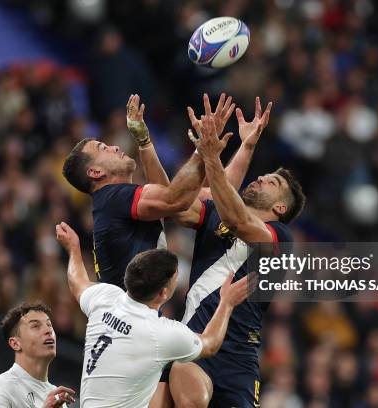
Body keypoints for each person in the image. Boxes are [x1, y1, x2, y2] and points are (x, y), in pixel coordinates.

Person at [168, 114, 306, 407]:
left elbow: (237, 220)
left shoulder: (280, 237)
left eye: (272, 182)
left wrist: (213, 158)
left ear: (280, 207)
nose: (259, 178)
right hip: (196, 341)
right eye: (262, 175)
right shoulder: (215, 214)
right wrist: (213, 151)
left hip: (239, 358)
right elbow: (176, 205)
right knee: (187, 389)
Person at [54, 220, 251, 408]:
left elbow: (77, 282)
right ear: (163, 293)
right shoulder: (160, 333)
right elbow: (210, 344)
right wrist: (227, 302)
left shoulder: (105, 298)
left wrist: (73, 248)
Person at [61, 93, 236, 289]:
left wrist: (144, 141)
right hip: (131, 315)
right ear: (95, 172)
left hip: (133, 314)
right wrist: (203, 147)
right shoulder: (112, 198)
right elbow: (175, 200)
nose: (115, 147)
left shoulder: (112, 202)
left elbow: (168, 199)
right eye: (103, 148)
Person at [0, 302, 75, 407]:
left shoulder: (56, 395)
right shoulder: (2, 389)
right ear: (15, 343)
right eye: (36, 326)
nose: (48, 330)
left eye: (49, 325)